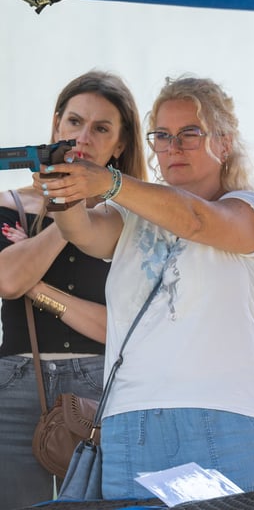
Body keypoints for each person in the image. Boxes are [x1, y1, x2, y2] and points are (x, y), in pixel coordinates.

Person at [40, 75, 254, 498]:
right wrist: (62, 188)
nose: (173, 147)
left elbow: (196, 220)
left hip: (224, 412)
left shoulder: (250, 209)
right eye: (162, 135)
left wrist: (110, 182)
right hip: (129, 419)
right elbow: (82, 231)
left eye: (190, 133)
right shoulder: (130, 214)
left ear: (224, 143)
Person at [0, 70, 148, 509]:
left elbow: (117, 326)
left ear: (119, 144)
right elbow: (7, 281)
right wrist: (69, 208)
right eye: (74, 122)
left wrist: (75, 207)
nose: (83, 136)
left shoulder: (130, 215)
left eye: (101, 128)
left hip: (98, 382)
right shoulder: (9, 201)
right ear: (55, 125)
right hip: (14, 379)